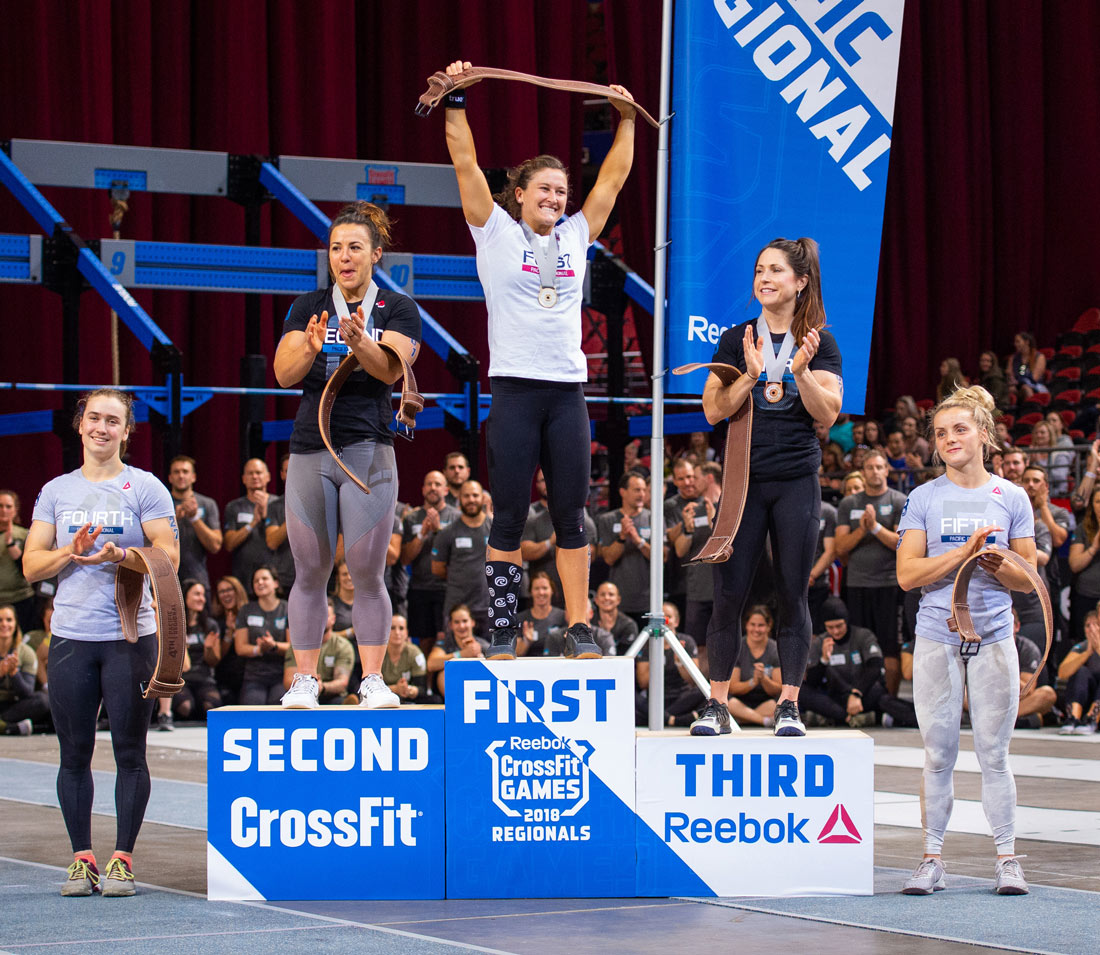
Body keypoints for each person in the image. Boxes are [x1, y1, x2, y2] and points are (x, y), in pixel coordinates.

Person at [442, 58, 636, 662]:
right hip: (515, 393)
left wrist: (627, 119)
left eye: (561, 191)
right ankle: (503, 627)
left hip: (566, 394)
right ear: (520, 194)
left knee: (572, 515)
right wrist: (455, 100)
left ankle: (578, 629)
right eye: (544, 189)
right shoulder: (494, 231)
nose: (555, 198)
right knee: (506, 516)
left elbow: (612, 181)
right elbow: (465, 162)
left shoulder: (577, 235)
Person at [23, 388, 179, 897]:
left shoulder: (146, 487)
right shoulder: (56, 491)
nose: (102, 428)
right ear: (80, 424)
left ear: (126, 431)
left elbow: (168, 558)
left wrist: (122, 555)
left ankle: (122, 860)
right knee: (74, 755)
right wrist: (73, 549)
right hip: (71, 637)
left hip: (130, 637)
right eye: (94, 418)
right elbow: (31, 565)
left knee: (131, 753)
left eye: (113, 421)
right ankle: (82, 858)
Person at [273, 200, 421, 710]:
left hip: (369, 449)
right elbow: (284, 374)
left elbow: (389, 372)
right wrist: (310, 349)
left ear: (375, 254)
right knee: (309, 570)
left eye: (354, 247)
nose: (343, 257)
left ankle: (373, 680)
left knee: (366, 571)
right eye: (336, 248)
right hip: (310, 450)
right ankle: (306, 680)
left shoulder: (398, 309)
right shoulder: (307, 305)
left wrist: (361, 342)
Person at [693, 237, 842, 738]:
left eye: (775, 270)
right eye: (759, 270)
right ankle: (716, 704)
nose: (764, 278)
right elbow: (713, 410)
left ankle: (789, 705)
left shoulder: (820, 343)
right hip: (743, 483)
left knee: (792, 592)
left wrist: (800, 372)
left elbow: (828, 414)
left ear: (800, 282)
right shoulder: (737, 340)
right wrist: (749, 376)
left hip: (796, 481)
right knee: (727, 594)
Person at [895, 385, 1036, 896]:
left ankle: (1007, 859)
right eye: (940, 433)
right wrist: (962, 555)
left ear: (983, 435)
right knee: (938, 753)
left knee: (995, 754)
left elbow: (1030, 580)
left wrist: (1003, 566)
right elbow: (908, 575)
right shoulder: (923, 497)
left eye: (959, 429)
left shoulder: (1011, 496)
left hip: (995, 634)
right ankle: (932, 858)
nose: (949, 439)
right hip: (936, 635)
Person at [834, 451, 908, 694]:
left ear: (887, 470)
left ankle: (889, 701)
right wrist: (862, 530)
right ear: (863, 471)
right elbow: (840, 547)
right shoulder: (849, 504)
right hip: (856, 584)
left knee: (889, 647)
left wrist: (875, 527)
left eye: (879, 467)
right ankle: (863, 699)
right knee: (859, 646)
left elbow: (902, 543)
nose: (875, 471)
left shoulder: (898, 500)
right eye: (870, 467)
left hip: (888, 584)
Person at [801, 597, 917, 728]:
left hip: (863, 694)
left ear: (846, 621)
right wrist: (823, 660)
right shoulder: (820, 642)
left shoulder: (863, 636)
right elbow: (812, 682)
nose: (835, 631)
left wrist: (856, 693)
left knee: (883, 696)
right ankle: (849, 717)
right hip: (836, 696)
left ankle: (836, 717)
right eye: (830, 627)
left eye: (839, 626)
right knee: (802, 691)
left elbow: (875, 666)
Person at [402, 470, 457, 648]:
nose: (433, 488)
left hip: (447, 588)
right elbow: (404, 559)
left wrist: (439, 531)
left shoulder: (456, 517)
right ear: (423, 489)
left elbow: (457, 554)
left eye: (438, 484)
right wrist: (422, 534)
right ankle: (425, 677)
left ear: (446, 490)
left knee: (446, 638)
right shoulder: (411, 518)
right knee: (424, 641)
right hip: (420, 587)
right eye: (429, 484)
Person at [597, 471, 659, 630]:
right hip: (619, 601)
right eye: (637, 490)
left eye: (644, 490)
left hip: (649, 599)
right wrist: (622, 537)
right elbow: (608, 558)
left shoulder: (655, 517)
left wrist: (638, 541)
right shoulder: (607, 519)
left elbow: (662, 557)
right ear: (622, 492)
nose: (642, 494)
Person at [431, 480, 492, 636]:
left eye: (475, 495)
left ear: (483, 498)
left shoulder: (495, 530)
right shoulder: (447, 532)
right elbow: (437, 568)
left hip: (488, 606)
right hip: (456, 606)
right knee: (456, 654)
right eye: (466, 496)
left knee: (490, 656)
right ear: (459, 498)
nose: (471, 500)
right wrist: (460, 576)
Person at [636, 603, 705, 726]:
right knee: (631, 695)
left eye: (668, 617)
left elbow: (694, 680)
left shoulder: (686, 641)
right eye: (660, 617)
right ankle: (673, 720)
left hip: (682, 697)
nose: (664, 620)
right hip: (655, 698)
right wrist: (656, 656)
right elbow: (643, 683)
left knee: (706, 692)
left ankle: (661, 718)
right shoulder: (647, 642)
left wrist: (680, 663)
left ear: (676, 621)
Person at [234, 566, 291, 706]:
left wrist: (274, 646)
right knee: (252, 708)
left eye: (264, 578)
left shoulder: (288, 608)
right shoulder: (246, 610)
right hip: (254, 676)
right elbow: (240, 648)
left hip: (281, 674)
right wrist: (258, 649)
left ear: (276, 583)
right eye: (256, 581)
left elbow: (294, 646)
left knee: (277, 706)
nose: (260, 583)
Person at [166, 456, 222, 596]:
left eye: (185, 471)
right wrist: (174, 522)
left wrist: (195, 518)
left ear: (193, 477)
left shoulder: (207, 504)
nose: (181, 476)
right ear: (170, 477)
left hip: (198, 580)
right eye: (176, 472)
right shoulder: (162, 504)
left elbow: (215, 545)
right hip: (168, 579)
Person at [283, 598, 353, 705]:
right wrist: (307, 684)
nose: (321, 619)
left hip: (331, 695)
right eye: (317, 616)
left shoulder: (343, 646)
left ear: (333, 619)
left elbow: (342, 682)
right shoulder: (298, 645)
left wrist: (321, 686)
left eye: (325, 616)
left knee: (339, 702)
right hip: (302, 692)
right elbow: (288, 681)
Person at [222, 459, 276, 596]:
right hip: (243, 576)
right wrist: (252, 523)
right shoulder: (234, 507)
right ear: (244, 479)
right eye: (250, 473)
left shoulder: (279, 504)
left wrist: (266, 516)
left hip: (274, 575)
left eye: (258, 473)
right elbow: (229, 544)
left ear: (268, 477)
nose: (255, 477)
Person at [171, 580, 222, 723]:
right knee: (185, 706)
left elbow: (214, 661)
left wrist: (209, 648)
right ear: (185, 596)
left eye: (203, 595)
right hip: (182, 678)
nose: (202, 599)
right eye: (197, 594)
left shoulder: (210, 625)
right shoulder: (175, 623)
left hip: (204, 678)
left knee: (211, 706)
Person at [725, 605, 782, 728]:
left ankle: (741, 719)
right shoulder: (737, 648)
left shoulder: (775, 649)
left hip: (766, 701)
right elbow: (732, 687)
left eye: (761, 625)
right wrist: (753, 682)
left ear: (768, 626)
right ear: (746, 625)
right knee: (725, 699)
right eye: (753, 624)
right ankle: (763, 721)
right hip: (740, 701)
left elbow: (779, 688)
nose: (756, 629)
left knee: (781, 702)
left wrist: (764, 679)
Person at [0, 604, 49, 734]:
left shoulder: (26, 652)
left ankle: (3, 723)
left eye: (9, 620)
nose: (4, 624)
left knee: (42, 701)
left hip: (13, 707)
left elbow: (27, 693)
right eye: (0, 620)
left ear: (16, 624)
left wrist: (14, 673)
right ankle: (8, 728)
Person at [426, 604, 487, 699]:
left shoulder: (483, 645)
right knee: (445, 672)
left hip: (478, 694)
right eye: (456, 622)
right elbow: (431, 664)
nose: (461, 626)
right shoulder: (445, 643)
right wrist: (461, 654)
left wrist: (480, 658)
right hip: (449, 695)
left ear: (472, 622)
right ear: (450, 625)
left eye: (465, 621)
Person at [1057, 610, 1100, 734]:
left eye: (1096, 624)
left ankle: (1092, 718)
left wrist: (1098, 648)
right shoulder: (1081, 647)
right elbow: (1062, 673)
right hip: (1086, 701)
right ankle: (1073, 718)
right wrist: (1087, 653)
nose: (1091, 629)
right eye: (1088, 625)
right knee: (1080, 671)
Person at [0, 490, 36, 633]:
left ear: (15, 510)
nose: (4, 510)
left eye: (8, 506)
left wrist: (11, 545)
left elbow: (31, 569)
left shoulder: (24, 534)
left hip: (21, 599)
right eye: (0, 506)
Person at [211, 575, 248, 705]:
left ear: (237, 591)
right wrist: (229, 631)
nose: (226, 594)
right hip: (225, 677)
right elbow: (218, 656)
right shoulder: (215, 621)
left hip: (248, 674)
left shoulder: (249, 613)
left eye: (229, 590)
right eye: (221, 591)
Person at [516, 571, 568, 656]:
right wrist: (526, 641)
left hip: (557, 665)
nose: (541, 592)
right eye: (536, 588)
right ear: (530, 592)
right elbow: (516, 653)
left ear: (552, 590)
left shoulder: (563, 616)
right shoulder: (521, 618)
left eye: (545, 588)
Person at [381, 613, 427, 703]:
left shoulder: (415, 653)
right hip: (382, 697)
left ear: (406, 633)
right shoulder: (378, 653)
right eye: (392, 628)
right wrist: (395, 689)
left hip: (408, 697)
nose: (397, 632)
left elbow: (422, 688)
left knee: (435, 700)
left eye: (401, 628)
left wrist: (412, 690)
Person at [1006, 331, 1047, 400]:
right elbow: (1010, 374)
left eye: (1018, 341)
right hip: (1018, 385)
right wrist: (1014, 381)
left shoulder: (1039, 357)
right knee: (1010, 389)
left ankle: (1031, 408)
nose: (1015, 344)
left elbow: (1034, 378)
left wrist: (1020, 380)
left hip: (1034, 386)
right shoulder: (1013, 358)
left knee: (1026, 388)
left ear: (1027, 342)